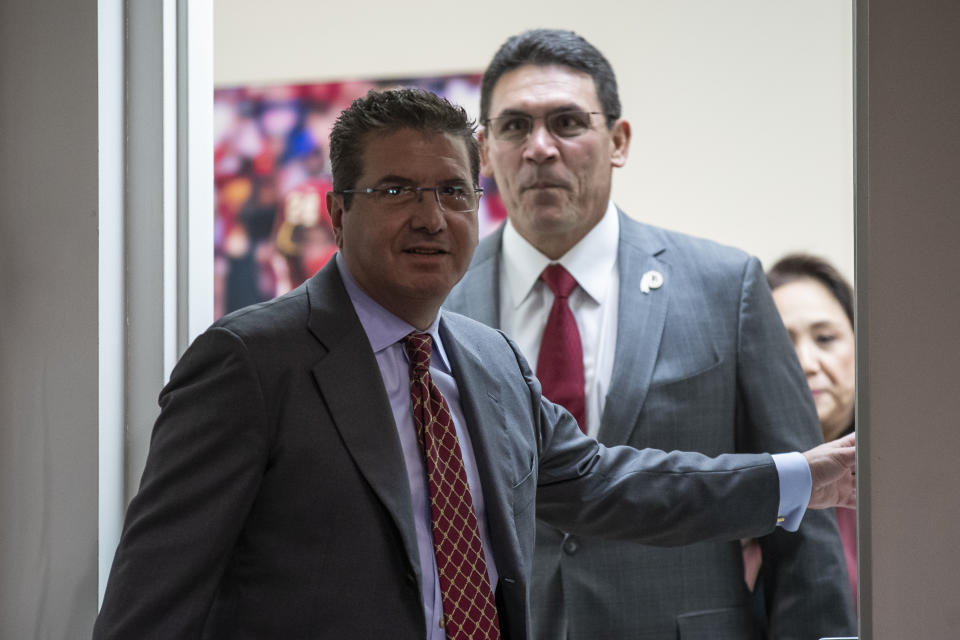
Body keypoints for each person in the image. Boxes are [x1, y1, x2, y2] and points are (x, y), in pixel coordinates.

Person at [93, 88, 855, 640]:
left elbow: (608, 485)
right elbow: (152, 606)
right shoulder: (250, 364)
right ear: (336, 211)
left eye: (454, 191)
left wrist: (801, 478)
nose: (431, 217)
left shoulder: (488, 362)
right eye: (396, 190)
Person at [444, 29, 856, 639]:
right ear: (484, 150)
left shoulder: (725, 287)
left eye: (565, 122)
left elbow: (802, 515)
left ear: (618, 141)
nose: (539, 148)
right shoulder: (442, 304)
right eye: (513, 127)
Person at [767, 253, 858, 607]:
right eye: (782, 342)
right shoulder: (731, 482)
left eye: (824, 338)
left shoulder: (904, 476)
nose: (806, 363)